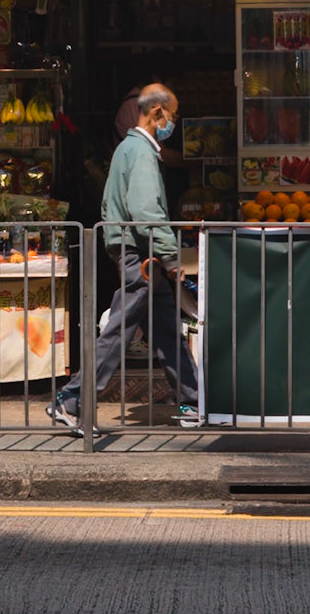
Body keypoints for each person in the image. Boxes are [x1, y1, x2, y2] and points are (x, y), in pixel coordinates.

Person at [49, 82, 199, 433]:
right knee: (118, 331)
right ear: (158, 112)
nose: (172, 124)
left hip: (139, 254)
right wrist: (172, 256)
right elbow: (146, 211)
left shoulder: (127, 150)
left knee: (165, 329)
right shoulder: (142, 153)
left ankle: (191, 402)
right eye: (172, 116)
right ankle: (71, 400)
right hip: (142, 257)